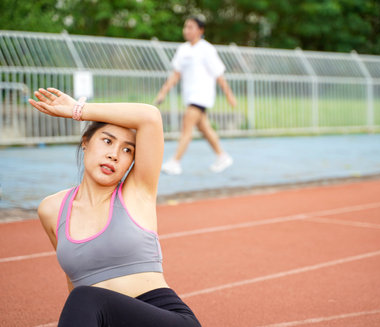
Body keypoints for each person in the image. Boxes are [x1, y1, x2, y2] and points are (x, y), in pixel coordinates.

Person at [28, 88, 201, 327]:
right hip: (103, 318)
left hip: (166, 318)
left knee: (84, 298)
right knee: (82, 296)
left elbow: (150, 117)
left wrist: (77, 111)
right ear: (85, 142)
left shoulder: (137, 193)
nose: (114, 155)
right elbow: (74, 280)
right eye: (107, 141)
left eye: (127, 150)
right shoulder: (51, 209)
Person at [155, 16, 237, 175]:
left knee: (187, 127)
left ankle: (175, 162)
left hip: (201, 96)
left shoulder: (207, 49)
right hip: (190, 96)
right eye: (185, 27)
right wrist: (163, 92)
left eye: (191, 27)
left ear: (200, 30)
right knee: (204, 128)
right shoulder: (183, 50)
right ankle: (223, 156)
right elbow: (175, 74)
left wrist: (229, 95)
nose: (186, 30)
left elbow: (219, 75)